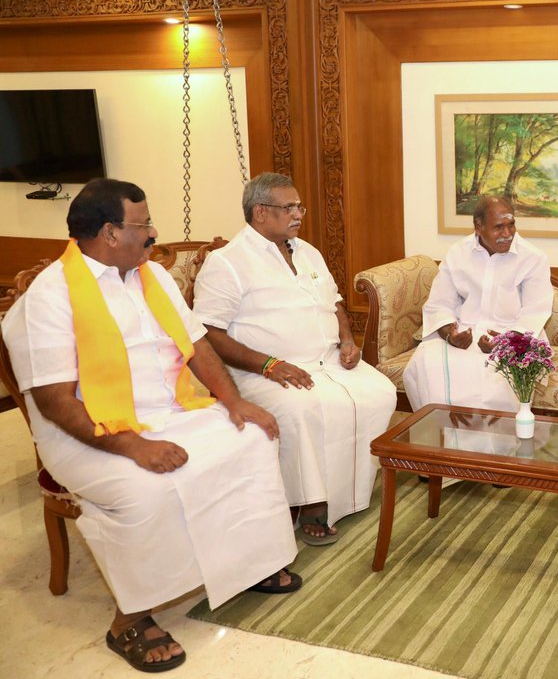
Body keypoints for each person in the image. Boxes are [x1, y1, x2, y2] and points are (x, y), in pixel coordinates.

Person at [1, 178, 301, 674]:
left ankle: (244, 565)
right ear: (109, 233)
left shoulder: (151, 277)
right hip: (90, 432)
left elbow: (198, 347)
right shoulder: (49, 299)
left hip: (173, 411)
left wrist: (234, 401)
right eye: (143, 226)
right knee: (149, 490)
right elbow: (54, 402)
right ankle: (130, 619)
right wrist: (133, 446)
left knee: (251, 440)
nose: (153, 235)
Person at [192, 172, 396, 547]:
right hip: (261, 371)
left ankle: (346, 493)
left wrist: (348, 341)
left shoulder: (307, 251)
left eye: (299, 206)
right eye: (289, 207)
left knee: (380, 392)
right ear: (259, 213)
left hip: (328, 361)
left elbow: (334, 303)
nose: (299, 214)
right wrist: (269, 364)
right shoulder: (228, 263)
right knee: (304, 408)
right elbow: (208, 334)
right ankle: (311, 503)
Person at [402, 195, 553, 412]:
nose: (508, 234)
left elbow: (534, 313)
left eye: (511, 225)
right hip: (463, 334)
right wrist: (449, 335)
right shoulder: (458, 253)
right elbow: (439, 304)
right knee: (426, 363)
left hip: (513, 338)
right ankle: (441, 437)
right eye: (499, 227)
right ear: (478, 227)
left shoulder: (533, 258)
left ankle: (495, 444)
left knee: (494, 377)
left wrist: (504, 343)